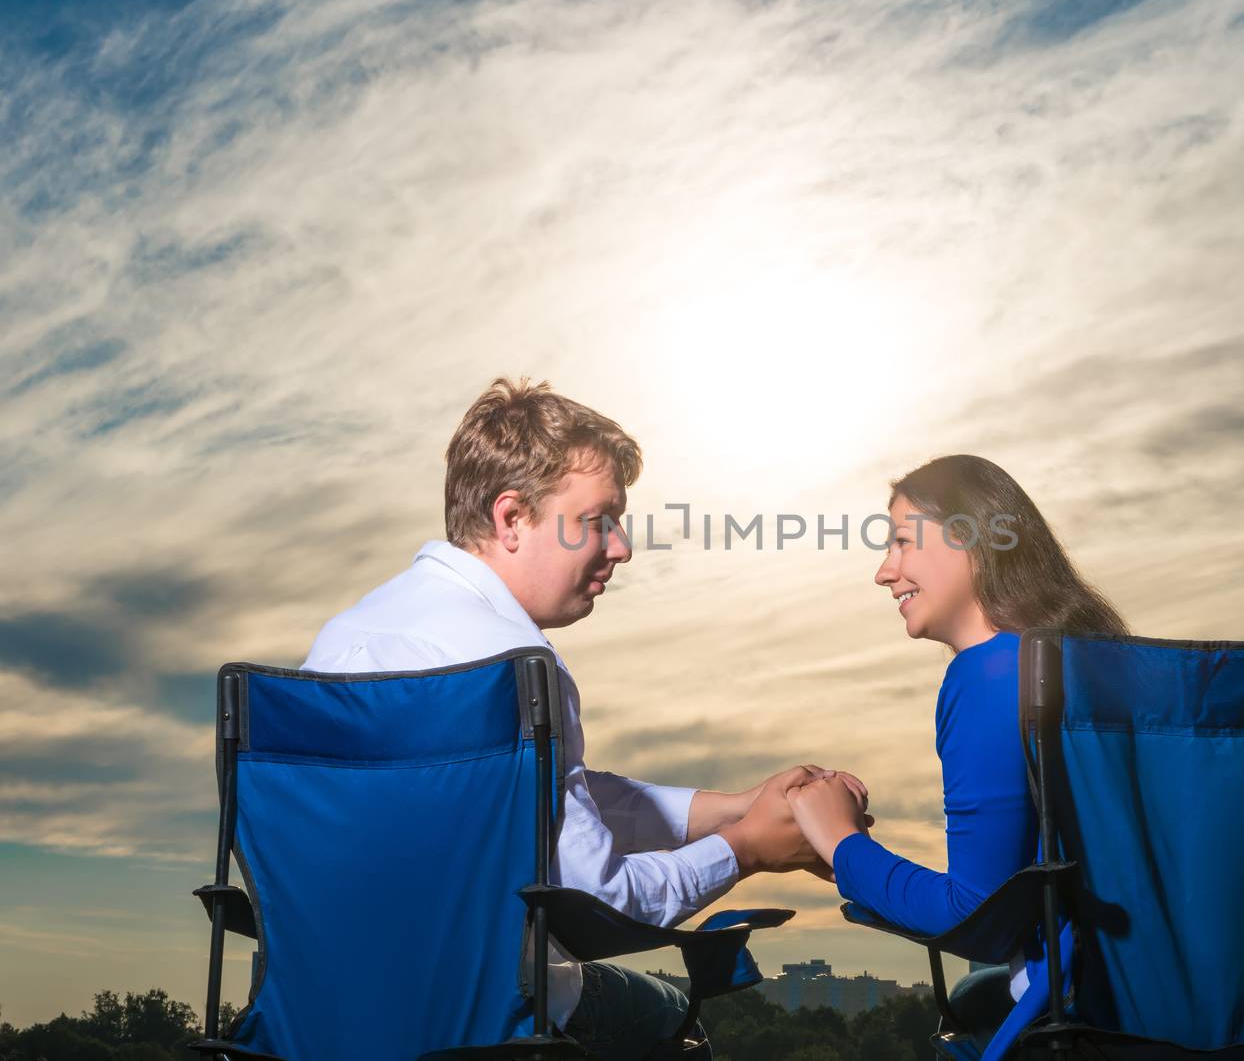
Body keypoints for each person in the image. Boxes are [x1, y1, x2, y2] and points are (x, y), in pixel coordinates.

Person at [302, 376, 867, 1060]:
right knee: (667, 1020)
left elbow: (539, 797)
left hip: (324, 1015)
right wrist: (746, 847)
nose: (623, 547)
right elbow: (600, 902)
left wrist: (734, 807)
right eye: (600, 520)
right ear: (511, 518)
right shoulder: (513, 665)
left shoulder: (341, 642)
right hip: (487, 1022)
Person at [785, 453, 1128, 1055]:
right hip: (1181, 997)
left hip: (1086, 1011)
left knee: (976, 995)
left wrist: (841, 843)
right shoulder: (1103, 661)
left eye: (900, 542)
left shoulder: (990, 676)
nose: (884, 573)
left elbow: (977, 917)